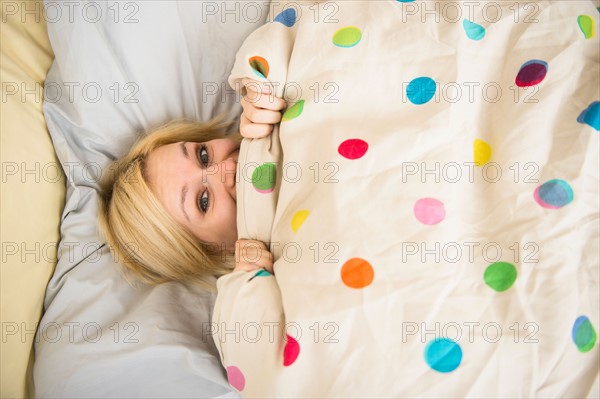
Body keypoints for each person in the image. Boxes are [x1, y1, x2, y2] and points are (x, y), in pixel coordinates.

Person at [98, 79, 286, 288]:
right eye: (203, 200)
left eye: (204, 155)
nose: (228, 169)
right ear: (216, 252)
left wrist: (266, 84)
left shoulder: (273, 102)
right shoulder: (271, 288)